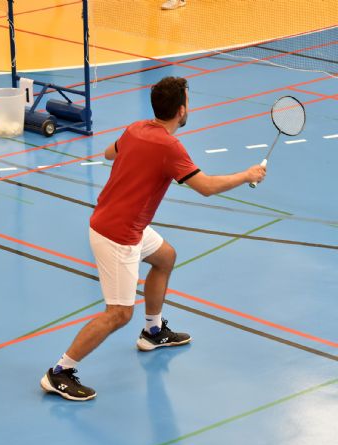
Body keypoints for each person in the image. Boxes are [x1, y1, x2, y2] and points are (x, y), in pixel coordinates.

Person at [40, 76, 266, 401]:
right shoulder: (169, 146)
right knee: (118, 313)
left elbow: (108, 153)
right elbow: (206, 187)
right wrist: (247, 175)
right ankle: (59, 372)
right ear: (182, 110)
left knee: (165, 256)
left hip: (121, 221)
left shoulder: (136, 129)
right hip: (117, 234)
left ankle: (154, 331)